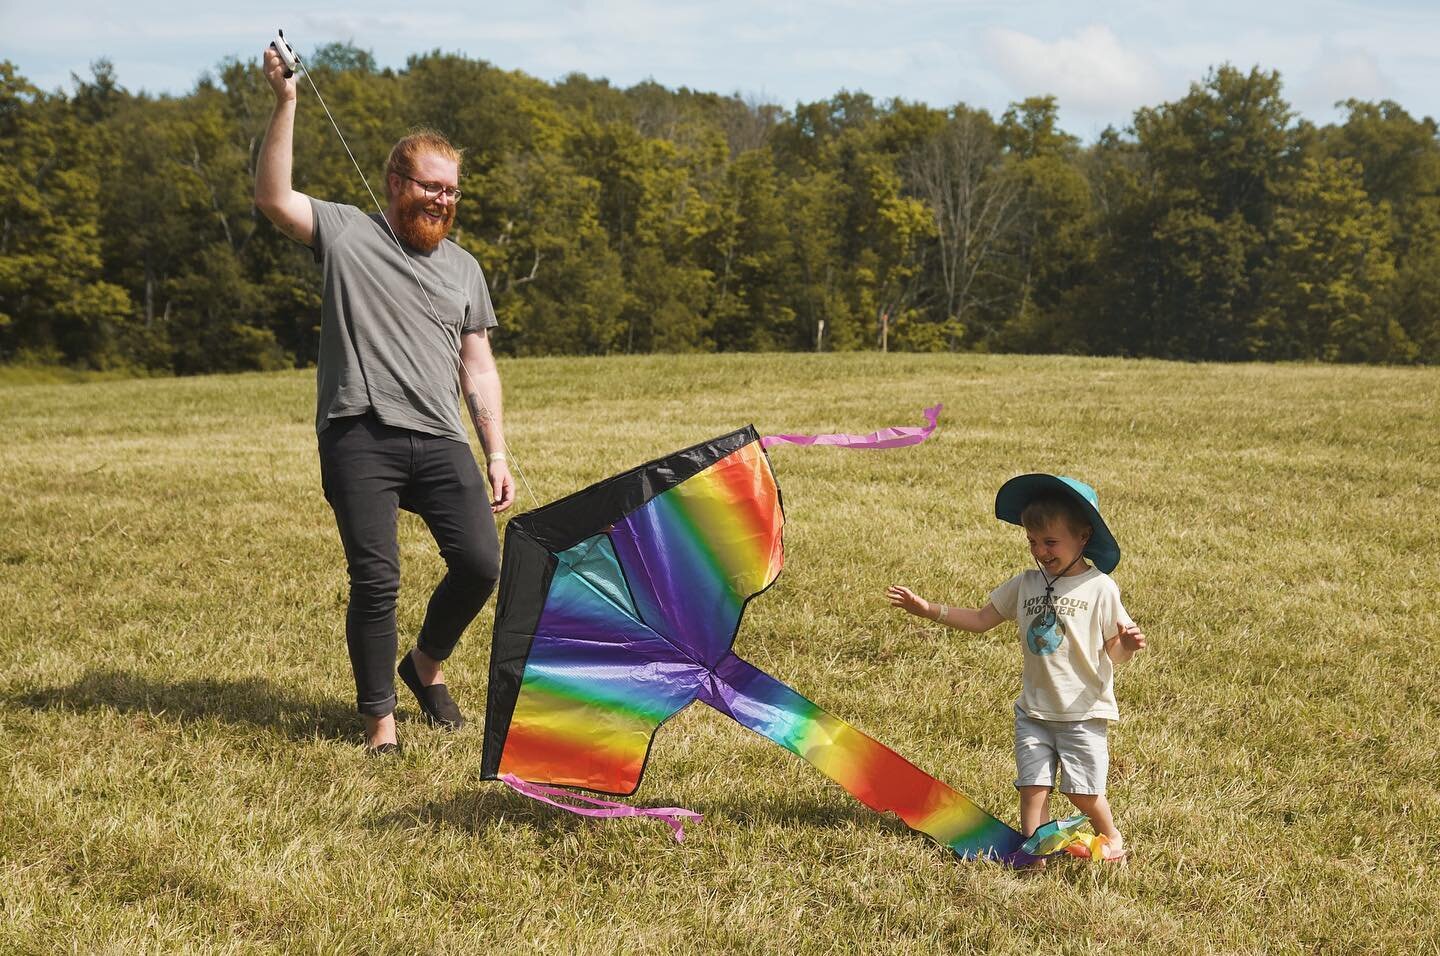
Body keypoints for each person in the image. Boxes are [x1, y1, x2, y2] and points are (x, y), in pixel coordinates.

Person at [255, 46, 515, 755]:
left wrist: (496, 450)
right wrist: (286, 104)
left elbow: (478, 365)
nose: (442, 200)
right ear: (396, 181)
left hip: (438, 437)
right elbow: (274, 199)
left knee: (482, 565)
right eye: (431, 186)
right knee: (377, 579)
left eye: (452, 191)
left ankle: (424, 666)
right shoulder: (347, 233)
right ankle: (380, 726)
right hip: (358, 433)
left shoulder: (465, 268)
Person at [886, 474, 1146, 862]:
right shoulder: (1025, 584)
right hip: (1033, 710)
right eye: (1032, 542)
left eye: (1050, 542)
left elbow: (1115, 653)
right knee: (1032, 788)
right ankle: (1034, 858)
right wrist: (928, 610)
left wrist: (1126, 644)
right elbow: (980, 618)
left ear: (1083, 537)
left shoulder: (1100, 588)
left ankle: (1111, 837)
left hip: (1082, 713)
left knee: (1082, 792)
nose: (1040, 551)